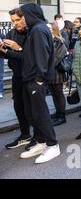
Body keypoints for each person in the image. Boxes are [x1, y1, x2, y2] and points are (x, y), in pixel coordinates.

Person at [19, 3, 60, 164]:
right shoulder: (35, 29)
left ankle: (52, 144)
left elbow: (42, 55)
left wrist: (39, 79)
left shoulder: (38, 30)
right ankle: (42, 142)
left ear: (30, 14)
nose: (22, 18)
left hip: (36, 80)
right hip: (30, 79)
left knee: (40, 114)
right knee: (32, 113)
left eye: (23, 15)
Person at [0, 8, 33, 149]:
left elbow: (31, 57)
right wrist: (3, 49)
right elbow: (8, 55)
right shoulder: (11, 32)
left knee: (32, 109)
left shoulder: (33, 32)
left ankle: (39, 138)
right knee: (18, 106)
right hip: (17, 75)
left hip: (31, 76)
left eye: (18, 20)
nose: (15, 23)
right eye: (13, 21)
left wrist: (17, 47)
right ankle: (25, 135)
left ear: (24, 18)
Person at [47, 23, 68, 127]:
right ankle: (58, 112)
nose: (48, 30)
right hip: (49, 72)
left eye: (50, 28)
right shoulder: (47, 40)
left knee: (58, 93)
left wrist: (47, 66)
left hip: (57, 72)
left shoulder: (59, 41)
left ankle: (62, 116)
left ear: (54, 29)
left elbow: (58, 57)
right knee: (54, 94)